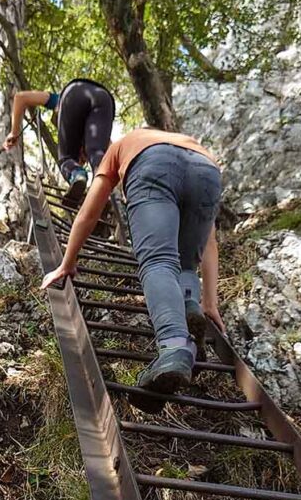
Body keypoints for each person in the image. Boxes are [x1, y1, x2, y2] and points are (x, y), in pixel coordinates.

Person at [41, 128, 224, 410]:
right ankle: (189, 306)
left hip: (153, 165)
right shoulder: (181, 141)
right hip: (207, 168)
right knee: (186, 262)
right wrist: (210, 302)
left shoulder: (122, 147)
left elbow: (89, 212)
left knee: (159, 261)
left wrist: (67, 263)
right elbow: (208, 242)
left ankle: (175, 346)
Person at [5, 78, 115, 202]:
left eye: (82, 160)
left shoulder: (58, 100)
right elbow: (20, 97)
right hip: (104, 98)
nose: (83, 159)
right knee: (97, 155)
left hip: (76, 93)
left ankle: (79, 176)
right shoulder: (101, 138)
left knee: (66, 159)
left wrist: (13, 133)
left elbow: (21, 97)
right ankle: (106, 194)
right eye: (82, 159)